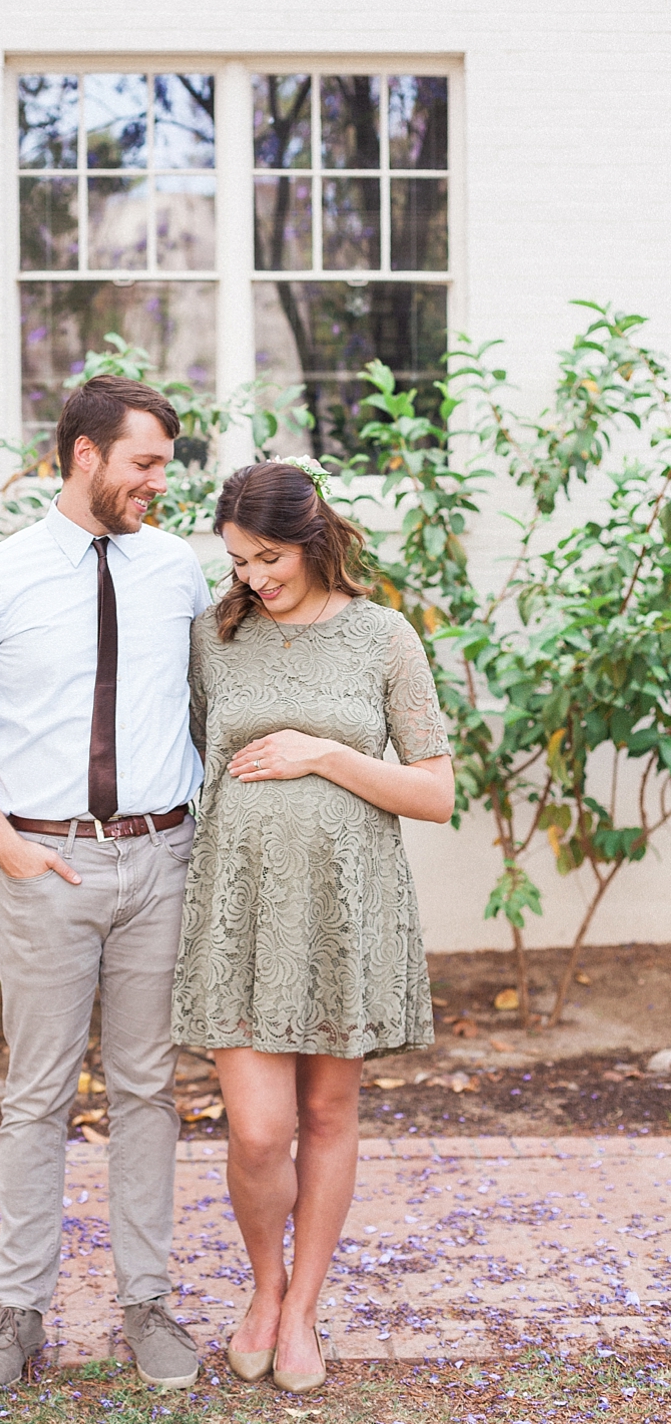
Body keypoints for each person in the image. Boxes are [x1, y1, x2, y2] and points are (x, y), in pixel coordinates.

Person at [0, 375, 210, 1392]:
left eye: (161, 465)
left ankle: (147, 1302)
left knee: (147, 1091)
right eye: (143, 462)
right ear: (84, 455)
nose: (155, 483)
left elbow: (213, 705)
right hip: (43, 863)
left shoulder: (177, 570)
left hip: (159, 859)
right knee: (35, 1096)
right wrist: (3, 843)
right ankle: (16, 1309)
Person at [171, 458, 454, 1393]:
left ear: (312, 534)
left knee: (328, 1112)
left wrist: (325, 753)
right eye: (239, 560)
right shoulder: (216, 638)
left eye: (267, 556)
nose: (253, 577)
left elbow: (435, 791)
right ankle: (263, 1285)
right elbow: (200, 756)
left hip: (345, 905)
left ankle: (299, 1312)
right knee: (256, 1129)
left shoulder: (383, 637)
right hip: (240, 909)